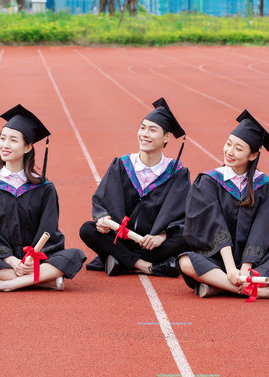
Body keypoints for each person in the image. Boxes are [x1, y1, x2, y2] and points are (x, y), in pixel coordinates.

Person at [0, 104, 86, 292]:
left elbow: (49, 230)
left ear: (28, 147)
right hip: (0, 259)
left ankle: (8, 284)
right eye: (2, 138)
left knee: (74, 255)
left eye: (13, 140)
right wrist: (11, 260)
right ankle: (45, 280)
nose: (5, 145)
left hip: (33, 259)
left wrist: (31, 259)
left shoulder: (44, 189)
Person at [178, 110, 269, 299]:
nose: (229, 152)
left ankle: (218, 287)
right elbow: (214, 224)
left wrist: (245, 268)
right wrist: (231, 268)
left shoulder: (265, 187)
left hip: (251, 265)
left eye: (238, 148)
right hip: (216, 260)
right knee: (185, 262)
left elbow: (262, 229)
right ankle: (258, 291)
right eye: (228, 143)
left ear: (252, 156)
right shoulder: (209, 180)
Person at [79, 98, 190, 277]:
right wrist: (102, 220)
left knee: (189, 236)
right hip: (121, 238)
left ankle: (120, 260)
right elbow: (102, 201)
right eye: (142, 127)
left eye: (152, 130)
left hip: (152, 243)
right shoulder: (122, 165)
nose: (144, 134)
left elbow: (182, 214)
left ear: (167, 137)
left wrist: (161, 236)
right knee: (88, 229)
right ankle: (144, 266)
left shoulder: (177, 172)